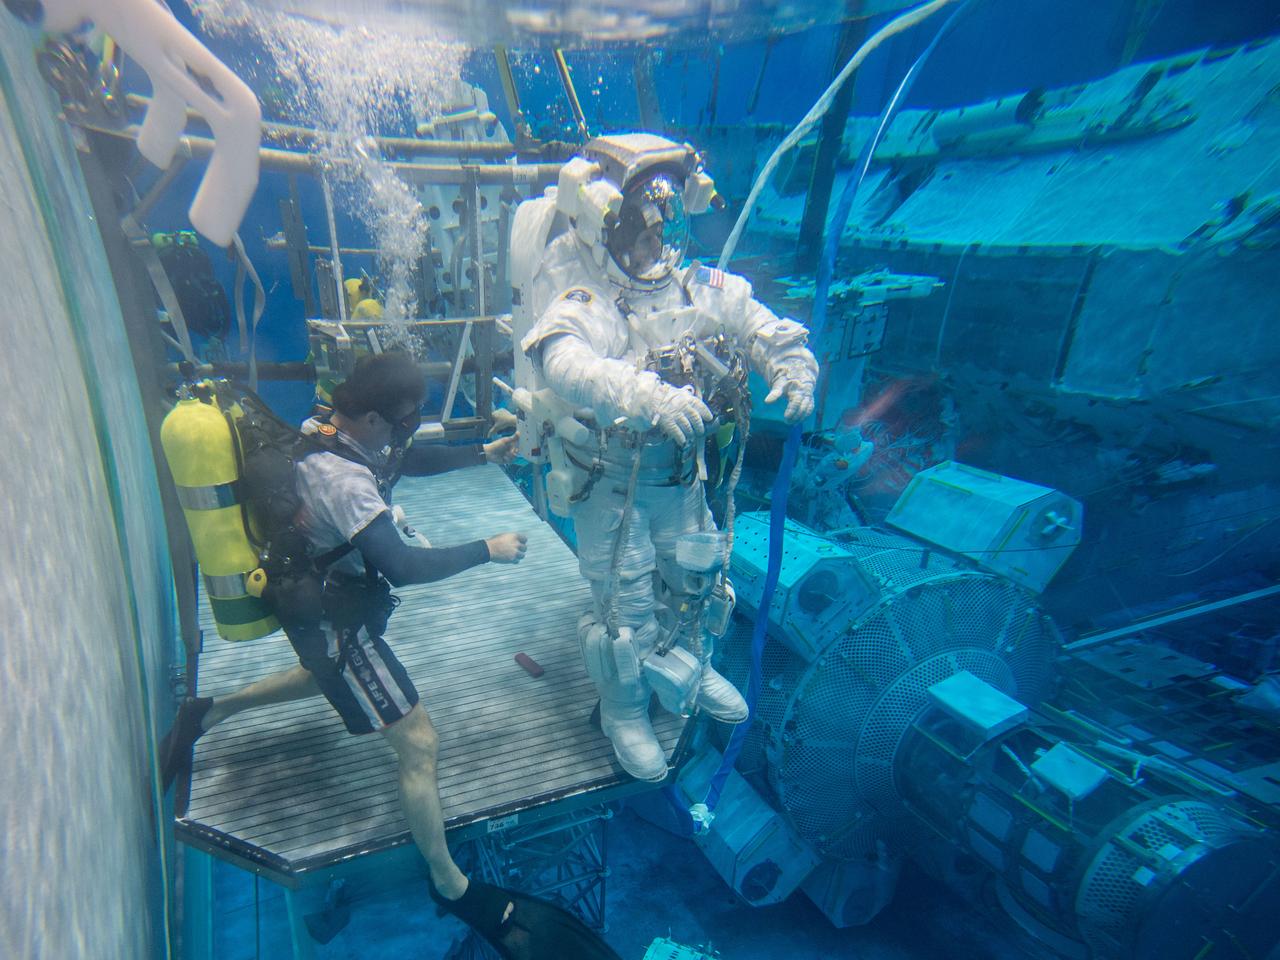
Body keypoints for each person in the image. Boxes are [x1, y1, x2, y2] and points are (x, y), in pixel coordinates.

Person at [159, 351, 619, 959]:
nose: (407, 432)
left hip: (322, 605)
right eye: (402, 421)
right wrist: (489, 546)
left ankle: (207, 711)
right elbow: (400, 565)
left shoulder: (330, 424)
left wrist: (483, 453)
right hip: (329, 617)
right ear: (372, 417)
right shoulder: (344, 482)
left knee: (324, 675)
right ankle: (450, 882)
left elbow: (405, 460)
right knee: (418, 740)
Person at [518, 134, 819, 781]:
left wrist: (791, 364)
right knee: (624, 607)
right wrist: (642, 392)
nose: (657, 249)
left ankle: (693, 667)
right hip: (612, 481)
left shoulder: (687, 283)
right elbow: (564, 361)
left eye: (665, 231)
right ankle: (624, 709)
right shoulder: (581, 287)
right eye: (644, 236)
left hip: (683, 474)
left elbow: (754, 319)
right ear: (609, 232)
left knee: (697, 583)